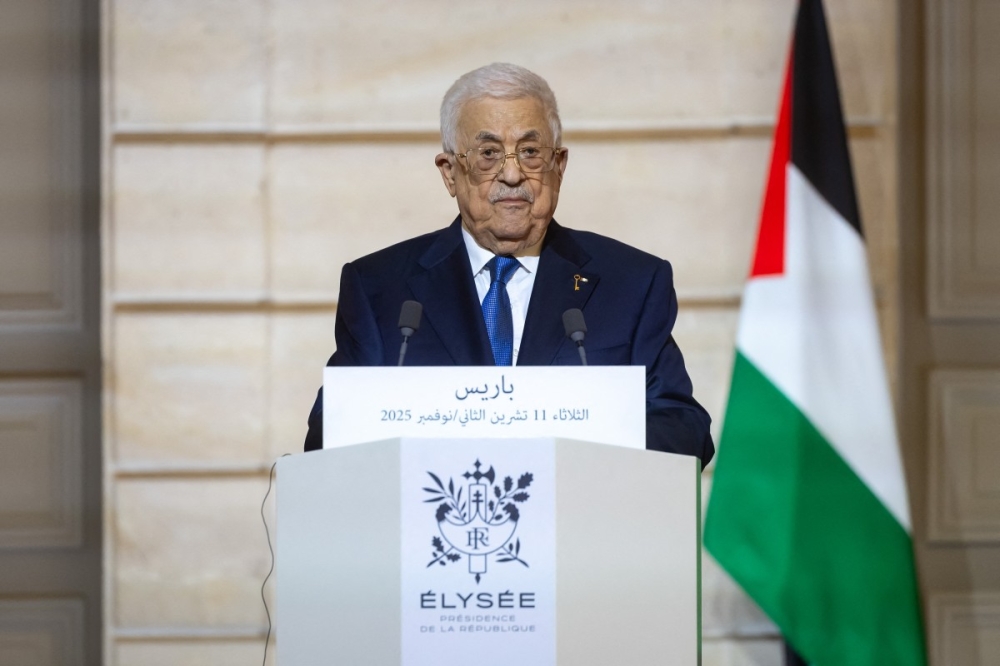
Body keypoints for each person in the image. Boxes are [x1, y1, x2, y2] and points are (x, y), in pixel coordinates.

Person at [303, 63, 714, 468]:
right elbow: (328, 435)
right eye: (488, 154)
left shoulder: (631, 283)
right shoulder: (380, 288)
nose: (513, 174)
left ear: (559, 166)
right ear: (450, 173)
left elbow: (684, 428)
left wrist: (590, 436)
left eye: (531, 152)